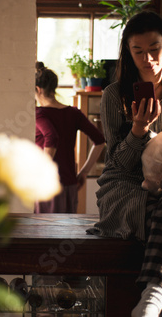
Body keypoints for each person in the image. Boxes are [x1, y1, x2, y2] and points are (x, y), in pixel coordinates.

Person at [87, 11, 162, 317]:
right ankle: (158, 300)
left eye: (154, 49)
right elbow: (116, 164)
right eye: (137, 51)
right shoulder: (115, 95)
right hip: (125, 190)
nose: (148, 59)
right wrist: (138, 130)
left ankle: (152, 297)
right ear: (128, 53)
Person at [35, 61, 105, 213]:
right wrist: (84, 172)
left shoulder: (39, 114)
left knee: (43, 233)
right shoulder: (73, 113)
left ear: (37, 89)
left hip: (48, 185)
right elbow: (99, 141)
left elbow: (51, 137)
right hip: (70, 184)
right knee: (65, 232)